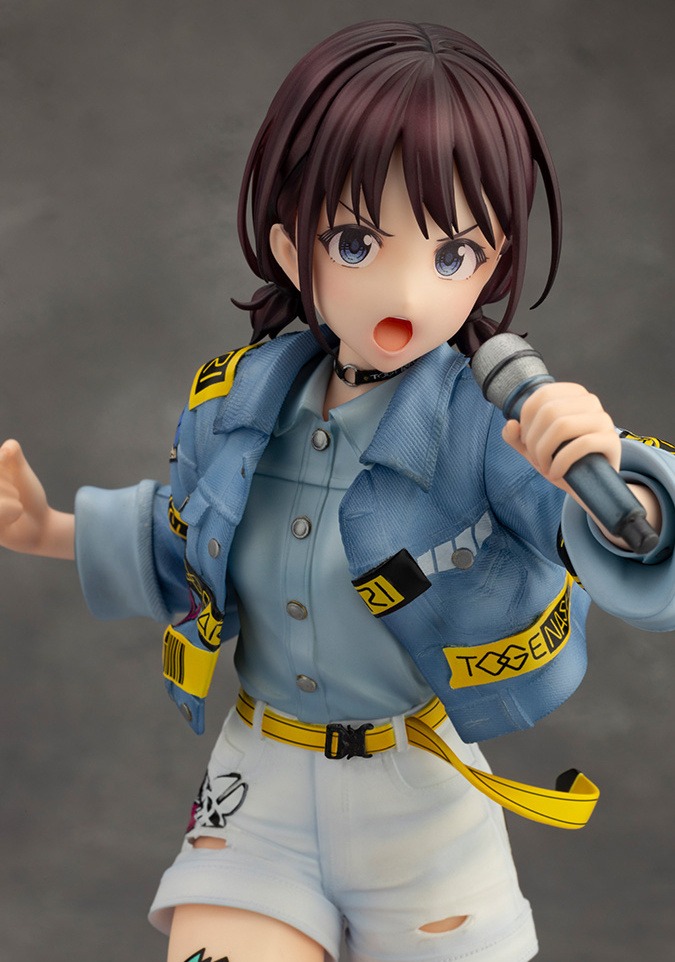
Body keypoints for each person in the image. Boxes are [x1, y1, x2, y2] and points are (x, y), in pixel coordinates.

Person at [1, 20, 674, 962]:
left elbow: (614, 544)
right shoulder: (237, 403)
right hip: (258, 788)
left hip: (418, 805)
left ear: (490, 262)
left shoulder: (490, 427)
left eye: (451, 255)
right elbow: (190, 541)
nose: (405, 292)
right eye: (357, 241)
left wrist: (624, 490)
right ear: (291, 247)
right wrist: (49, 529)